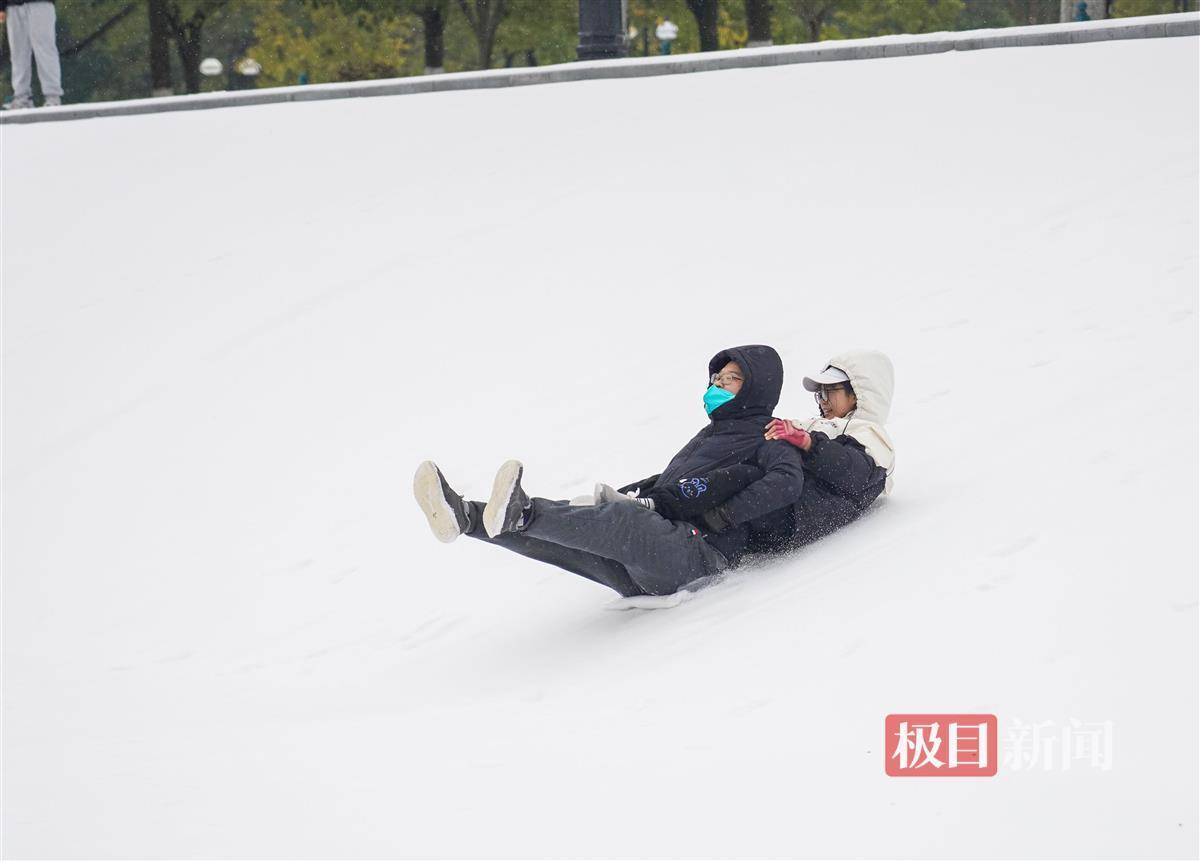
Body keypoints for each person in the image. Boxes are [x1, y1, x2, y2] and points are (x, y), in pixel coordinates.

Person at [413, 345, 806, 597]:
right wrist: (634, 492)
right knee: (577, 528)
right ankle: (468, 518)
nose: (717, 384)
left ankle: (520, 511)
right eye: (716, 378)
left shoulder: (768, 436)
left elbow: (787, 482)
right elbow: (670, 485)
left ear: (755, 389)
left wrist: (722, 517)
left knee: (619, 521)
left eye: (731, 379)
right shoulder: (712, 435)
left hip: (699, 557)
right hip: (651, 564)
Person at [756, 349, 895, 548]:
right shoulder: (816, 424)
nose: (823, 401)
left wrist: (808, 443)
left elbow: (855, 470)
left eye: (829, 391)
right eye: (819, 394)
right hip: (772, 503)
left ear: (856, 394)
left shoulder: (871, 434)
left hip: (791, 514)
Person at [1, 0, 62, 110]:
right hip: (13, 6)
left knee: (45, 51)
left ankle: (53, 97)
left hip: (40, 4)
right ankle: (21, 98)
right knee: (18, 54)